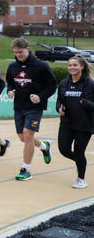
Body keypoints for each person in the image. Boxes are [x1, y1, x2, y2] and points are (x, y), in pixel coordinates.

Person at [6, 38, 56, 181]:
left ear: (28, 49)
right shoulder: (12, 66)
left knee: (28, 135)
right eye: (15, 52)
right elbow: (10, 83)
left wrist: (40, 97)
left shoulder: (41, 66)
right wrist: (10, 91)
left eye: (20, 52)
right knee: (23, 137)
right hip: (19, 106)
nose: (18, 55)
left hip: (35, 107)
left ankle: (25, 169)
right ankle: (44, 145)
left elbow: (52, 85)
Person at [56, 55, 94, 188]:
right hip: (67, 122)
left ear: (82, 67)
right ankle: (80, 162)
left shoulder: (90, 84)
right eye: (70, 65)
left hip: (84, 124)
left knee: (79, 152)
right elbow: (59, 100)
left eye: (75, 65)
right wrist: (59, 109)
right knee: (63, 149)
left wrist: (86, 103)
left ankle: (81, 179)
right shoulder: (63, 83)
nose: (72, 67)